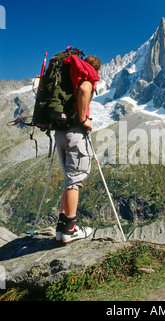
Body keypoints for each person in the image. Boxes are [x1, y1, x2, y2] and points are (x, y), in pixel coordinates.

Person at [55, 54, 101, 244]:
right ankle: (70, 229)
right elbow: (85, 88)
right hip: (75, 132)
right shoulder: (86, 77)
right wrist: (83, 119)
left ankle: (61, 226)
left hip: (60, 132)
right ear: (94, 70)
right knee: (75, 181)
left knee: (69, 179)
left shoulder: (68, 75)